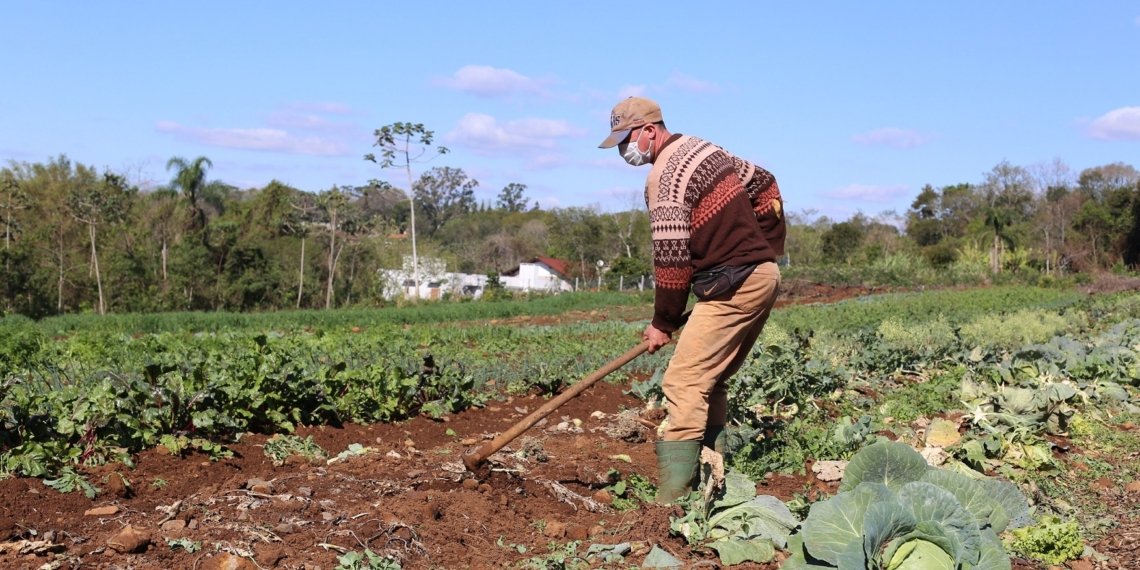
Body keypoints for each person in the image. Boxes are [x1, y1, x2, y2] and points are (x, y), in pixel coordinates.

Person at [598, 96, 786, 503]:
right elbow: (766, 183)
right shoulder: (705, 150)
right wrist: (764, 252)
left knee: (684, 381)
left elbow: (671, 261)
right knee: (710, 378)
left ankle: (673, 498)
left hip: (734, 285)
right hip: (758, 279)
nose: (622, 151)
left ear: (649, 129)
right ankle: (711, 477)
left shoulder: (663, 177)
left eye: (625, 139)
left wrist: (663, 322)